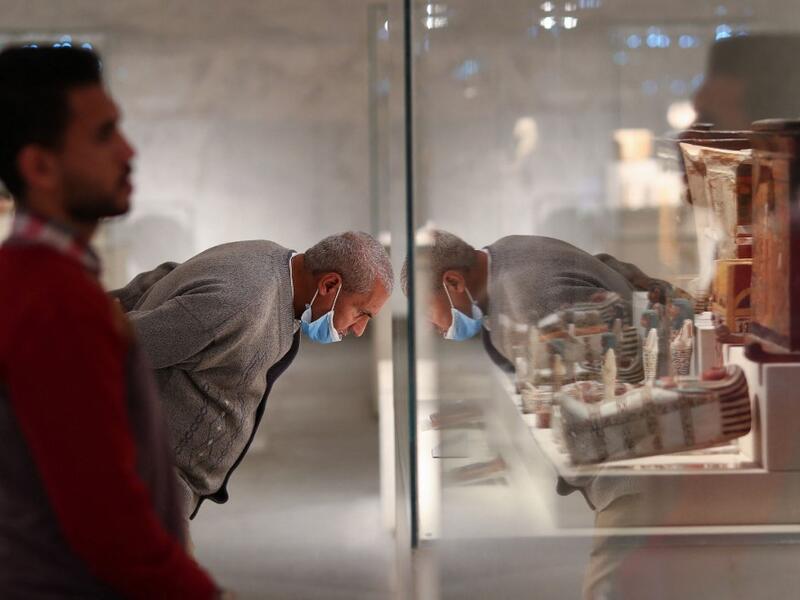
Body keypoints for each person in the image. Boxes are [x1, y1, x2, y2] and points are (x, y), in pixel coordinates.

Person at [0, 46, 219, 597]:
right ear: (39, 166)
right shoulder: (54, 302)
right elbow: (105, 517)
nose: (128, 151)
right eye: (103, 135)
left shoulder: (39, 282)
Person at [112, 231, 393, 521]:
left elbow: (167, 276)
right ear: (329, 284)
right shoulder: (240, 305)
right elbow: (116, 345)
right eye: (362, 313)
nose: (359, 330)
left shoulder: (270, 260)